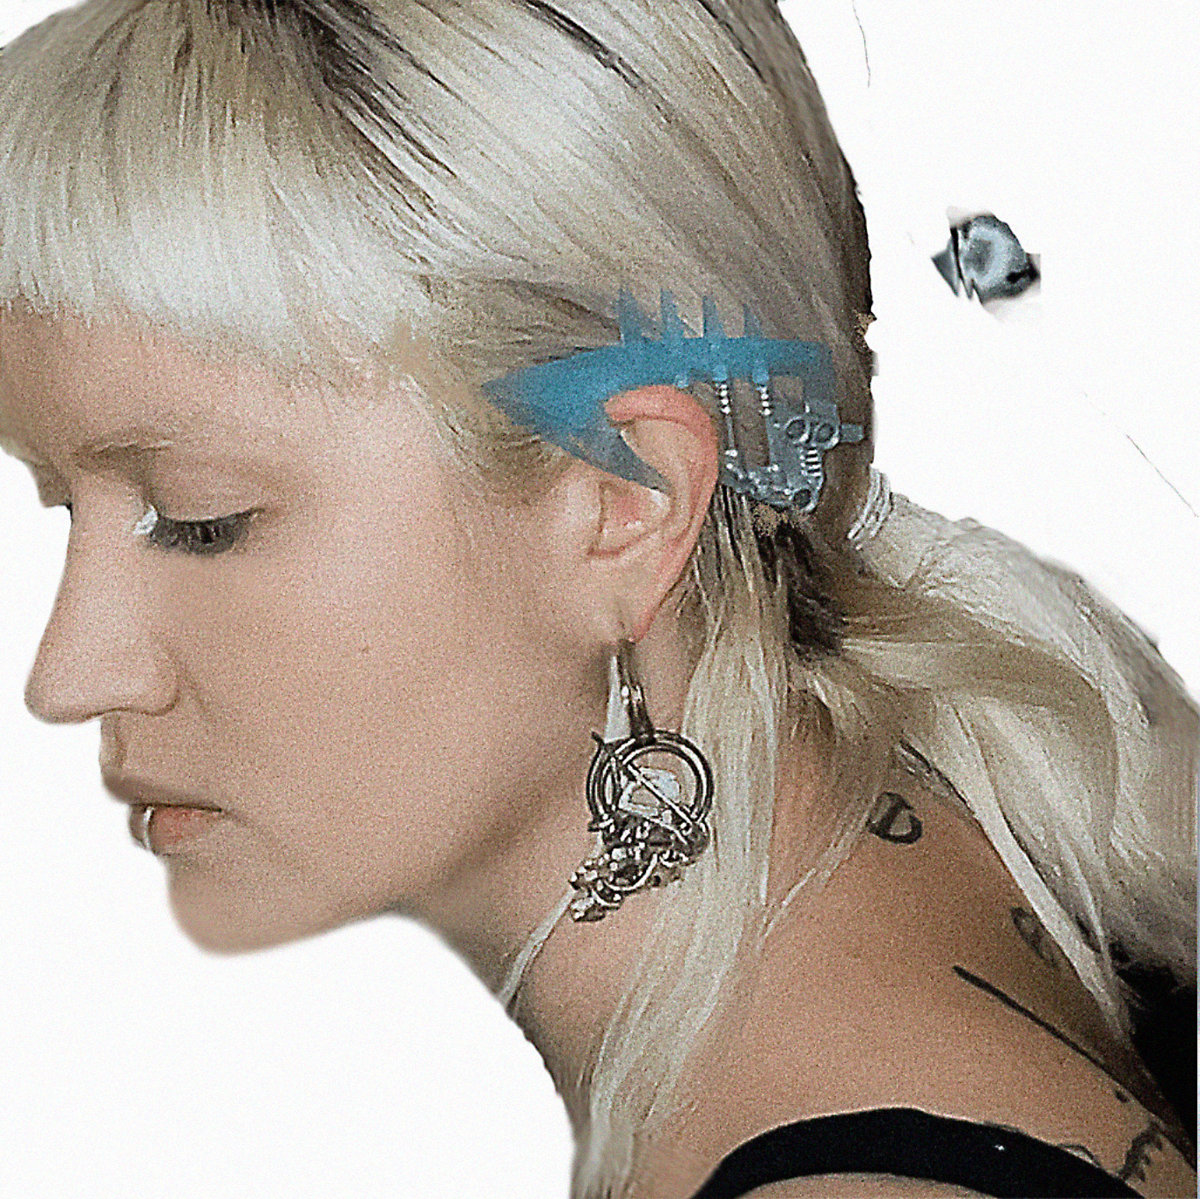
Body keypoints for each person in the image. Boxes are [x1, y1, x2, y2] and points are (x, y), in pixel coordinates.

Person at [0, 2, 1194, 1196]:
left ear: (628, 501)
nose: (70, 673)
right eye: (62, 502)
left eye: (200, 516)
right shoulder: (996, 809)